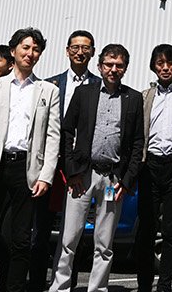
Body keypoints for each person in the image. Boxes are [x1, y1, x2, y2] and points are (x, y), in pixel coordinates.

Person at [0, 28, 63, 292]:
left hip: (27, 170)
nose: (30, 53)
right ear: (13, 50)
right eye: (25, 47)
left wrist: (46, 176)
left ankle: (15, 287)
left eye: (36, 49)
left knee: (21, 238)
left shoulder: (48, 91)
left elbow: (52, 137)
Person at [49, 44, 145, 292]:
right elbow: (67, 131)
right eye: (109, 64)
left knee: (104, 242)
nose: (113, 69)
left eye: (119, 65)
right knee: (69, 238)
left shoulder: (133, 98)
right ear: (100, 66)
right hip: (83, 175)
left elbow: (137, 143)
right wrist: (72, 171)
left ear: (125, 68)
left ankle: (98, 288)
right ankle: (60, 287)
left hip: (113, 178)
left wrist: (126, 180)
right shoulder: (84, 93)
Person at [33, 31, 100, 289]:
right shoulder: (50, 84)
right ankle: (38, 283)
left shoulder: (99, 85)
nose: (80, 52)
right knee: (41, 228)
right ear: (67, 50)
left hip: (81, 167)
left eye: (85, 48)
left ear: (92, 52)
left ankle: (67, 284)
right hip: (50, 164)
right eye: (75, 47)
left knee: (73, 231)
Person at [136, 44, 172, 292]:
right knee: (146, 229)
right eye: (160, 63)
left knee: (171, 231)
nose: (165, 68)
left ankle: (165, 285)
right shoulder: (146, 96)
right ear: (153, 67)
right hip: (149, 166)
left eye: (170, 63)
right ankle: (144, 284)